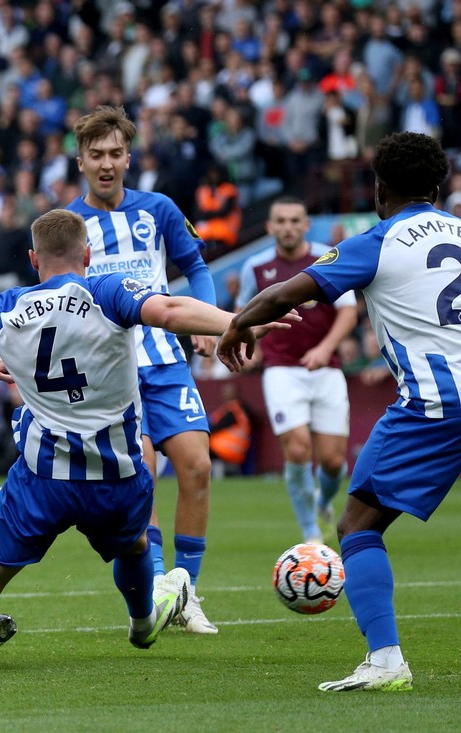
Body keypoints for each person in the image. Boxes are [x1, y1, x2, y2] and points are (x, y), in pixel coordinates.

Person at [0, 209, 291, 672]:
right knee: (132, 547)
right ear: (88, 254)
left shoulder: (5, 307)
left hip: (42, 477)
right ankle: (142, 621)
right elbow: (170, 310)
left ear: (33, 259)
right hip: (118, 474)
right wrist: (236, 320)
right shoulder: (107, 291)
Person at [218, 131, 454, 692]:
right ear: (440, 187)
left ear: (378, 189)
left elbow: (285, 295)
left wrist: (236, 325)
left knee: (357, 526)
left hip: (435, 404)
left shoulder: (378, 240)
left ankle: (386, 660)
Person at [65, 106, 219, 634]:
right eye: (96, 155)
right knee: (145, 477)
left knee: (197, 466)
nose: (106, 164)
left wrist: (207, 324)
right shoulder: (67, 225)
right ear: (80, 160)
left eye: (115, 154)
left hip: (166, 359)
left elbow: (197, 269)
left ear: (129, 157)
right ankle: (155, 589)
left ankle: (186, 592)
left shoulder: (159, 209)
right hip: (111, 372)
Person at [236, 196, 358, 543]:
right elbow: (242, 312)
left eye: (295, 221)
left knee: (334, 462)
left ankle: (321, 501)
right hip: (281, 370)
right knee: (299, 450)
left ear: (306, 225)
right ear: (270, 226)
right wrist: (252, 345)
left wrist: (325, 348)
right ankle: (310, 534)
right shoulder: (256, 268)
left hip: (326, 368)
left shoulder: (327, 258)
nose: (288, 227)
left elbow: (348, 311)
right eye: (281, 221)